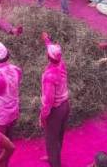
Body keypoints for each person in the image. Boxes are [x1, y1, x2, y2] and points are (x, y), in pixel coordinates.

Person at [40, 32, 69, 167]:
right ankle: (53, 156)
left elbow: (49, 101)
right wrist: (47, 40)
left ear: (48, 57)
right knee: (59, 135)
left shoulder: (49, 76)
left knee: (51, 138)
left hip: (55, 109)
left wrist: (43, 115)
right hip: (65, 105)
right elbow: (52, 50)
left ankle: (55, 162)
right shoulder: (61, 63)